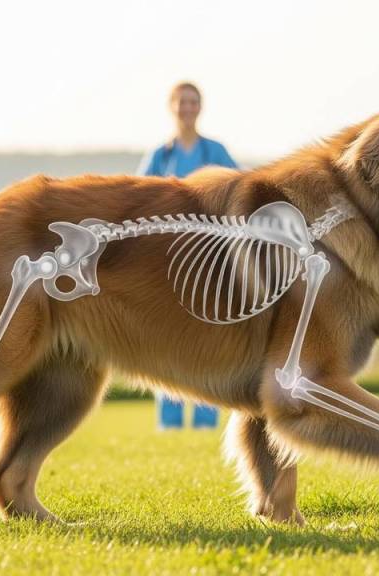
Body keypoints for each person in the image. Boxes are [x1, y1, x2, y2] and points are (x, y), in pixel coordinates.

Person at [137, 81, 238, 430]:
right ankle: (170, 422)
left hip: (210, 262)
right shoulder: (159, 157)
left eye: (193, 102)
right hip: (166, 263)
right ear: (172, 107)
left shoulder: (217, 153)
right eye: (182, 102)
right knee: (168, 340)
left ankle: (207, 419)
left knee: (210, 338)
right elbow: (138, 205)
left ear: (201, 107)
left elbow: (239, 194)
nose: (187, 108)